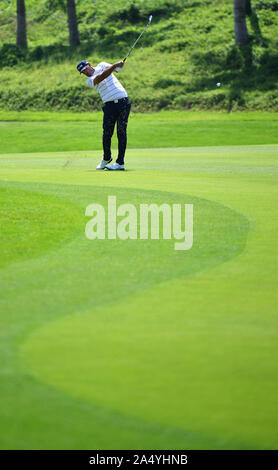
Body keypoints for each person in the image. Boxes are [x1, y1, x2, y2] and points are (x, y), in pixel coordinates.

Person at [77, 59, 131, 171]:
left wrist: (119, 65)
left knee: (121, 132)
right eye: (83, 72)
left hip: (123, 102)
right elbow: (101, 77)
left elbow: (117, 69)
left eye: (85, 69)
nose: (85, 72)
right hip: (109, 106)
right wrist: (114, 65)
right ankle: (106, 158)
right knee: (107, 134)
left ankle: (120, 163)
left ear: (89, 64)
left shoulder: (102, 65)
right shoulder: (90, 80)